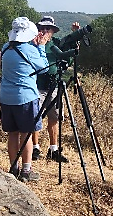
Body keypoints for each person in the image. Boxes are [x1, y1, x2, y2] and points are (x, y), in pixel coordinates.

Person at [0, 16, 49, 182]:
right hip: (25, 97)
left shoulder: (6, 47)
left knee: (12, 134)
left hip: (6, 97)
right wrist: (41, 47)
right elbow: (43, 69)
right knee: (26, 134)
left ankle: (13, 168)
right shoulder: (30, 50)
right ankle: (26, 171)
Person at [31, 16, 79, 163]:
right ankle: (35, 147)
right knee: (35, 117)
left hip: (55, 85)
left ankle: (53, 149)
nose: (45, 31)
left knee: (55, 117)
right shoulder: (33, 44)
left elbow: (69, 57)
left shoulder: (57, 43)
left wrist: (75, 37)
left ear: (53, 31)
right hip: (37, 85)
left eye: (48, 28)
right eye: (42, 28)